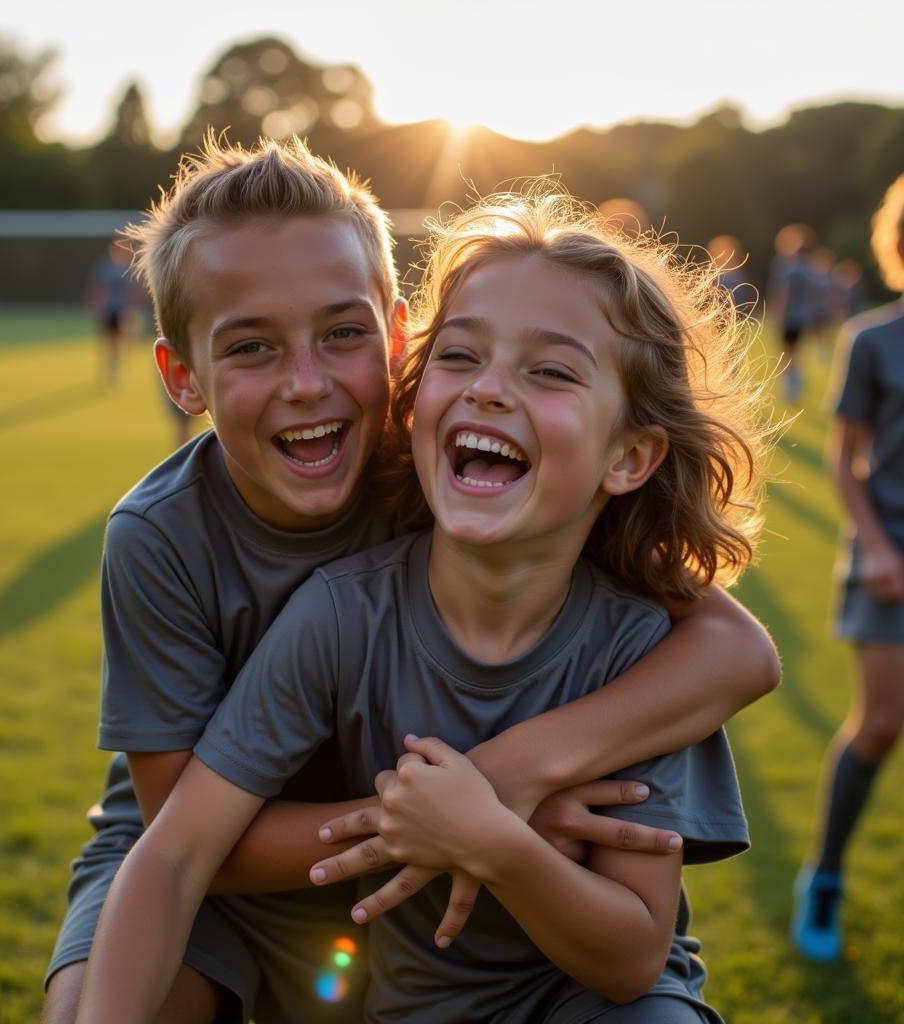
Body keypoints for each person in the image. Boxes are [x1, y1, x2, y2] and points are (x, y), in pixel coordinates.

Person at [45, 137, 779, 1024]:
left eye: (344, 333)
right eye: (251, 348)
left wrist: (505, 787)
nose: (307, 384)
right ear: (181, 376)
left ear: (397, 341)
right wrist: (446, 815)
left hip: (435, 899)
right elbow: (185, 847)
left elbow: (736, 649)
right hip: (234, 864)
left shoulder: (463, 470)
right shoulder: (165, 537)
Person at [792, 173, 904, 962]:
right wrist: (876, 547)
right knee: (883, 724)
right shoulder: (873, 340)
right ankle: (824, 877)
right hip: (887, 558)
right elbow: (845, 458)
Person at [768, 222, 816, 401]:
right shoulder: (807, 267)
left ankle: (791, 386)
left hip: (790, 317)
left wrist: (778, 314)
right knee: (794, 352)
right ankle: (795, 383)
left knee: (787, 353)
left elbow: (783, 293)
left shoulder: (788, 267)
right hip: (802, 317)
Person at [88, 239, 136, 385]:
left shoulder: (126, 268)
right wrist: (95, 304)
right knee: (107, 342)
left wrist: (130, 307)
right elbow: (96, 287)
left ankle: (117, 373)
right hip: (108, 310)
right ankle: (105, 373)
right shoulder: (104, 268)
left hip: (121, 311)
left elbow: (131, 290)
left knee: (120, 343)